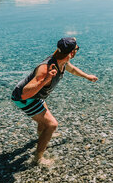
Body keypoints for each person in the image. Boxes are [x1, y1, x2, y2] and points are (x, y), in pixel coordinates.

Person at [11, 37, 98, 165]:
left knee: (44, 120)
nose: (77, 50)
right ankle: (38, 158)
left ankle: (42, 136)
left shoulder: (62, 59)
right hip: (25, 99)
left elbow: (72, 69)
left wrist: (87, 76)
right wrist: (45, 80)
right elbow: (24, 94)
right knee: (52, 124)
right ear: (72, 53)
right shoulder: (45, 68)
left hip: (36, 97)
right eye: (77, 49)